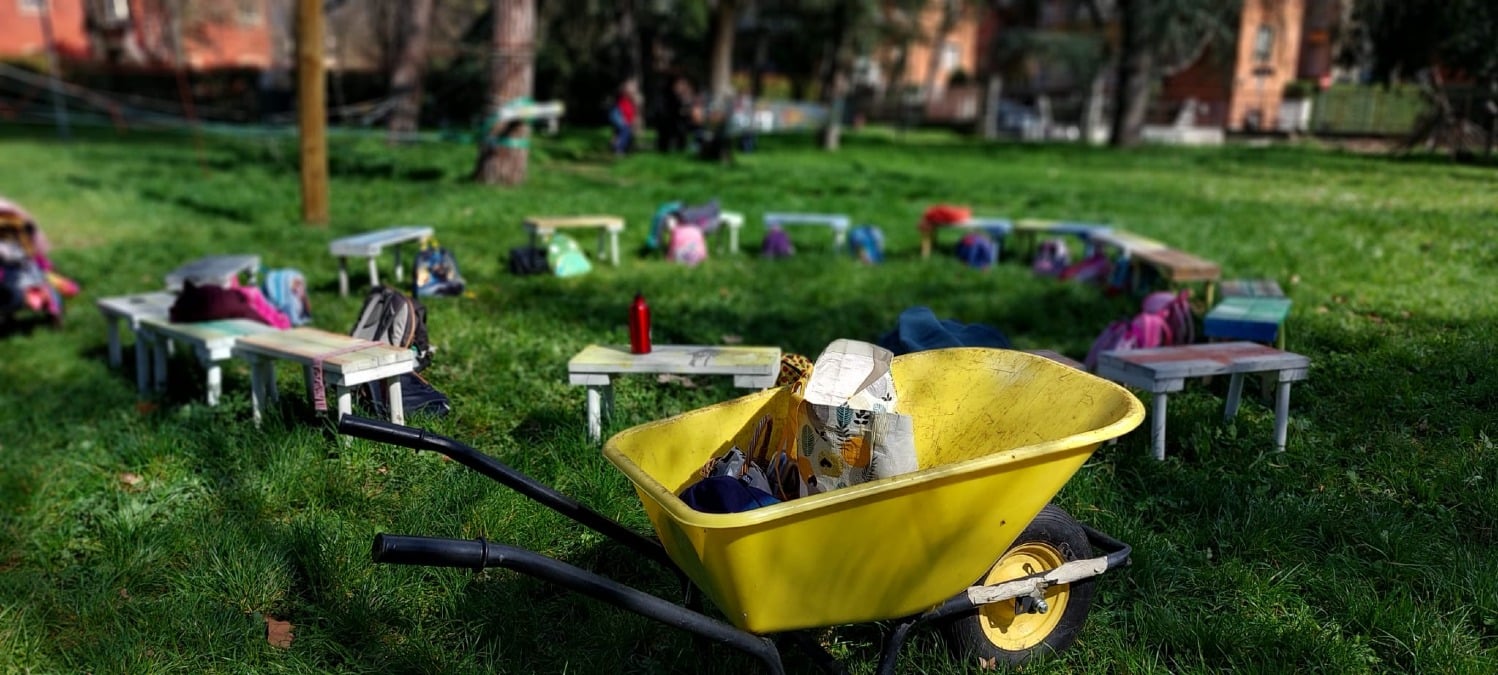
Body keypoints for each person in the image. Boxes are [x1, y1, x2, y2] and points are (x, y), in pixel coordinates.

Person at [609, 80, 639, 156]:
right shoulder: (623, 97)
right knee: (624, 133)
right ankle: (619, 149)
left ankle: (618, 145)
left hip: (624, 119)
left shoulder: (630, 100)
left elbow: (633, 111)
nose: (634, 93)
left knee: (621, 133)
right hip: (620, 117)